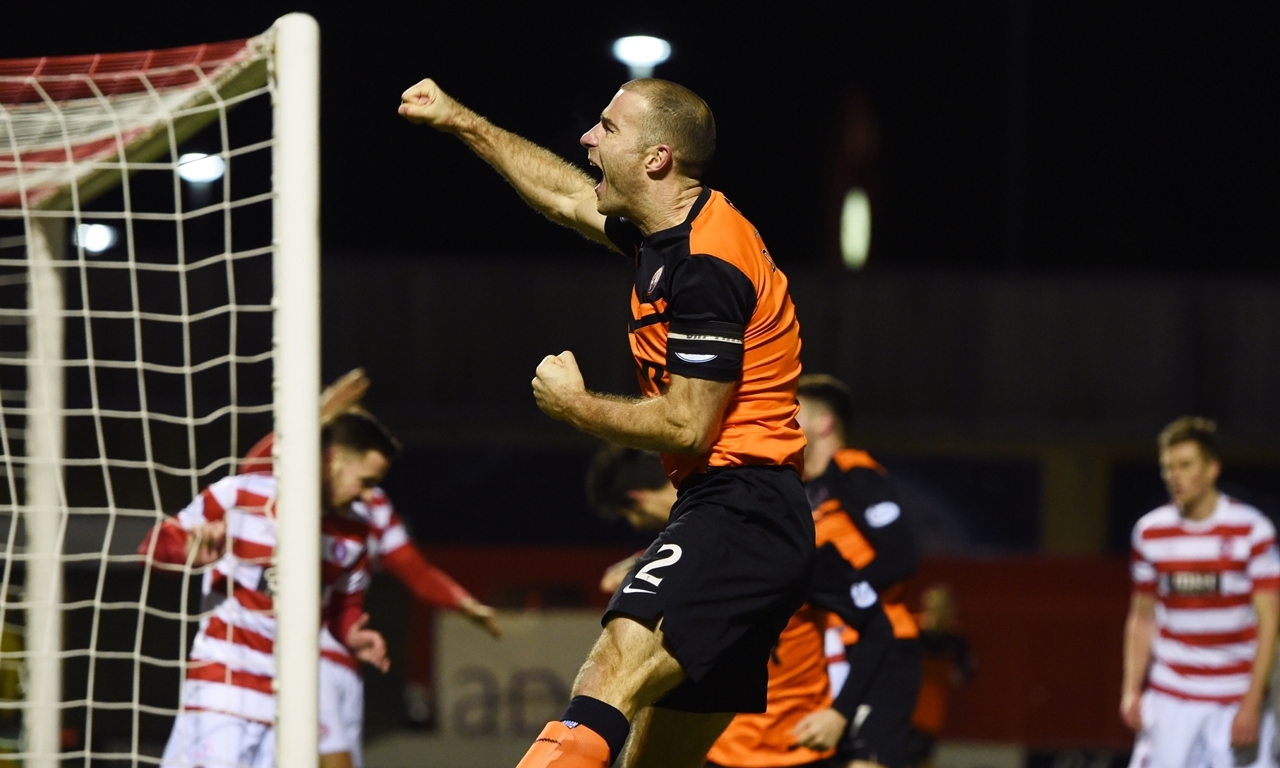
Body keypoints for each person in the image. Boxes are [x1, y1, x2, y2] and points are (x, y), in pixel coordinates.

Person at [401, 77, 813, 768]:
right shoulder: (671, 233)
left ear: (657, 159)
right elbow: (564, 196)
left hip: (740, 511)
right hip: (747, 518)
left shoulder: (708, 264)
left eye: (607, 128)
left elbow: (688, 427)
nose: (588, 139)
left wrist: (575, 406)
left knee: (608, 674)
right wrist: (459, 120)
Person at [238, 371, 502, 768]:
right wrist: (317, 413)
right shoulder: (297, 491)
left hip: (346, 662)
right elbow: (253, 470)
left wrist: (465, 604)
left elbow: (413, 569)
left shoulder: (371, 505)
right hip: (306, 653)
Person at [142, 411, 398, 768]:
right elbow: (153, 548)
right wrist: (189, 549)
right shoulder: (242, 494)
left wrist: (352, 633)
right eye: (366, 480)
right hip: (224, 688)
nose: (370, 493)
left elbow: (343, 604)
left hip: (290, 702)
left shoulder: (354, 532)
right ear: (334, 460)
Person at [1122, 416, 1280, 768]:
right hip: (1171, 696)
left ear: (1211, 469)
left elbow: (1271, 623)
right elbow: (1142, 616)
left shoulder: (1251, 530)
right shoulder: (1150, 533)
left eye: (1185, 465)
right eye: (1168, 467)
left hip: (1234, 697)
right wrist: (1131, 689)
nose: (1174, 476)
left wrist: (1253, 701)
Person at [795, 374, 921, 768]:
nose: (778, 421)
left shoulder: (853, 473)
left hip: (882, 645)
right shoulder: (798, 490)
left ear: (824, 423)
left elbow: (901, 555)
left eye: (791, 413)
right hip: (828, 655)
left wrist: (848, 590)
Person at [904, 585, 973, 768]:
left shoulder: (955, 638)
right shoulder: (910, 630)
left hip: (931, 712)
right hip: (904, 707)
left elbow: (967, 671)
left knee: (922, 758)